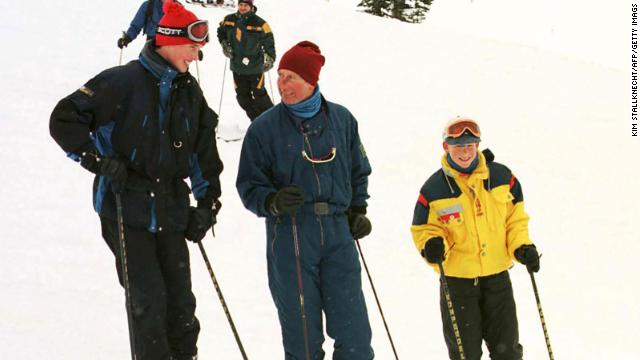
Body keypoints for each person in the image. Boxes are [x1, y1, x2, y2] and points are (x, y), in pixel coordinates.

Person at [50, 3, 223, 359]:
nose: (197, 54)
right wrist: (96, 160)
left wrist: (208, 205)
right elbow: (64, 119)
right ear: (170, 40)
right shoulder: (121, 81)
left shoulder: (189, 92)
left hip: (172, 208)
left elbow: (202, 153)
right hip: (124, 205)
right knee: (148, 302)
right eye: (193, 46)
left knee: (180, 303)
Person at [236, 41, 375, 359]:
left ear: (312, 80)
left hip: (339, 233)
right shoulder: (263, 129)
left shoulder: (342, 120)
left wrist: (358, 209)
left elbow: (358, 170)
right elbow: (249, 185)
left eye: (291, 77)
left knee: (354, 335)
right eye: (280, 76)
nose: (282, 84)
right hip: (291, 234)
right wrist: (272, 201)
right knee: (303, 339)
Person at [410, 117, 541, 360]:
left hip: (497, 279)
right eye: (458, 146)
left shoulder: (502, 178)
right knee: (465, 354)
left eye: (470, 145)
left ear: (477, 146)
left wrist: (522, 247)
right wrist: (433, 246)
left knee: (508, 352)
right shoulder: (434, 189)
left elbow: (515, 220)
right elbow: (423, 229)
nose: (465, 152)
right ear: (446, 147)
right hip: (458, 283)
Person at [217, 0, 276, 121]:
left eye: (246, 5)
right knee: (242, 97)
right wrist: (224, 44)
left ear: (251, 7)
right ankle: (257, 121)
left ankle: (273, 119)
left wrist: (270, 58)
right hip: (237, 66)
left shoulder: (260, 24)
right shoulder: (229, 19)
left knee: (260, 96)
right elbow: (221, 32)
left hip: (255, 67)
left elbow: (269, 42)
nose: (242, 8)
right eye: (241, 5)